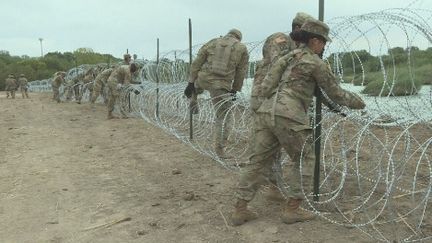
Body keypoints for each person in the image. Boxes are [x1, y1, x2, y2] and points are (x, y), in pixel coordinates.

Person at [232, 19, 366, 226]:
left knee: (257, 162)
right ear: (314, 41)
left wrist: (266, 107)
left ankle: (240, 209)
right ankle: (292, 209)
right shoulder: (314, 62)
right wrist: (360, 104)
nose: (324, 46)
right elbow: (336, 93)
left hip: (267, 112)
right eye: (323, 42)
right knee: (305, 158)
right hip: (290, 114)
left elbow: (266, 86)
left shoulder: (285, 58)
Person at [250, 12, 315, 201]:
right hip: (266, 96)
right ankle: (272, 187)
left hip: (278, 98)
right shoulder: (280, 40)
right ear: (297, 28)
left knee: (273, 142)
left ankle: (273, 185)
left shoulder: (298, 48)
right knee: (269, 145)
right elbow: (278, 66)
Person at [184, 28, 249, 158]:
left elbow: (197, 63)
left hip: (202, 79)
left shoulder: (213, 42)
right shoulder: (241, 48)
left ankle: (194, 95)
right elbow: (241, 71)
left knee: (198, 85)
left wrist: (191, 83)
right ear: (238, 38)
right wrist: (235, 90)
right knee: (223, 116)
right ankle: (220, 150)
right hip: (220, 85)